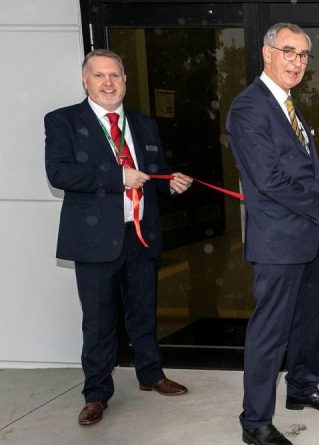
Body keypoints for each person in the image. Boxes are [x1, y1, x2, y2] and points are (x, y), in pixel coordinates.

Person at [44, 49, 193, 426]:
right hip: (95, 242)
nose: (108, 83)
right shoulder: (63, 121)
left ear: (125, 81)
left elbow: (153, 171)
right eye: (99, 76)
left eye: (115, 75)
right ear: (85, 80)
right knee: (98, 321)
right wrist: (117, 177)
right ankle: (96, 394)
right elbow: (60, 174)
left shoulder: (142, 123)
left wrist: (169, 182)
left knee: (143, 311)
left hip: (141, 237)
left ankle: (151, 375)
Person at [226, 23, 319, 445]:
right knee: (270, 333)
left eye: (303, 55)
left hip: (308, 237)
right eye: (289, 52)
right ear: (267, 53)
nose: (296, 62)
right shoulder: (250, 108)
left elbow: (298, 172)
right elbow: (269, 180)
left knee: (305, 323)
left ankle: (301, 388)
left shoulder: (289, 106)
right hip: (278, 242)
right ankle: (255, 422)